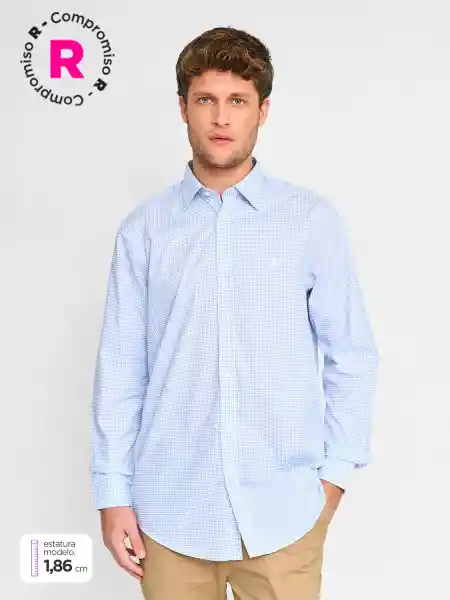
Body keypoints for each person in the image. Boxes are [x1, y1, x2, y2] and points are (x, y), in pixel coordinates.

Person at [90, 25, 379, 600]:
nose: (221, 118)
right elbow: (120, 369)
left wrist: (334, 479)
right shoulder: (144, 232)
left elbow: (351, 353)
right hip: (168, 517)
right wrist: (112, 493)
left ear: (262, 111)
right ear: (183, 108)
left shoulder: (310, 222)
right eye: (206, 99)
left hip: (285, 518)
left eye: (238, 101)